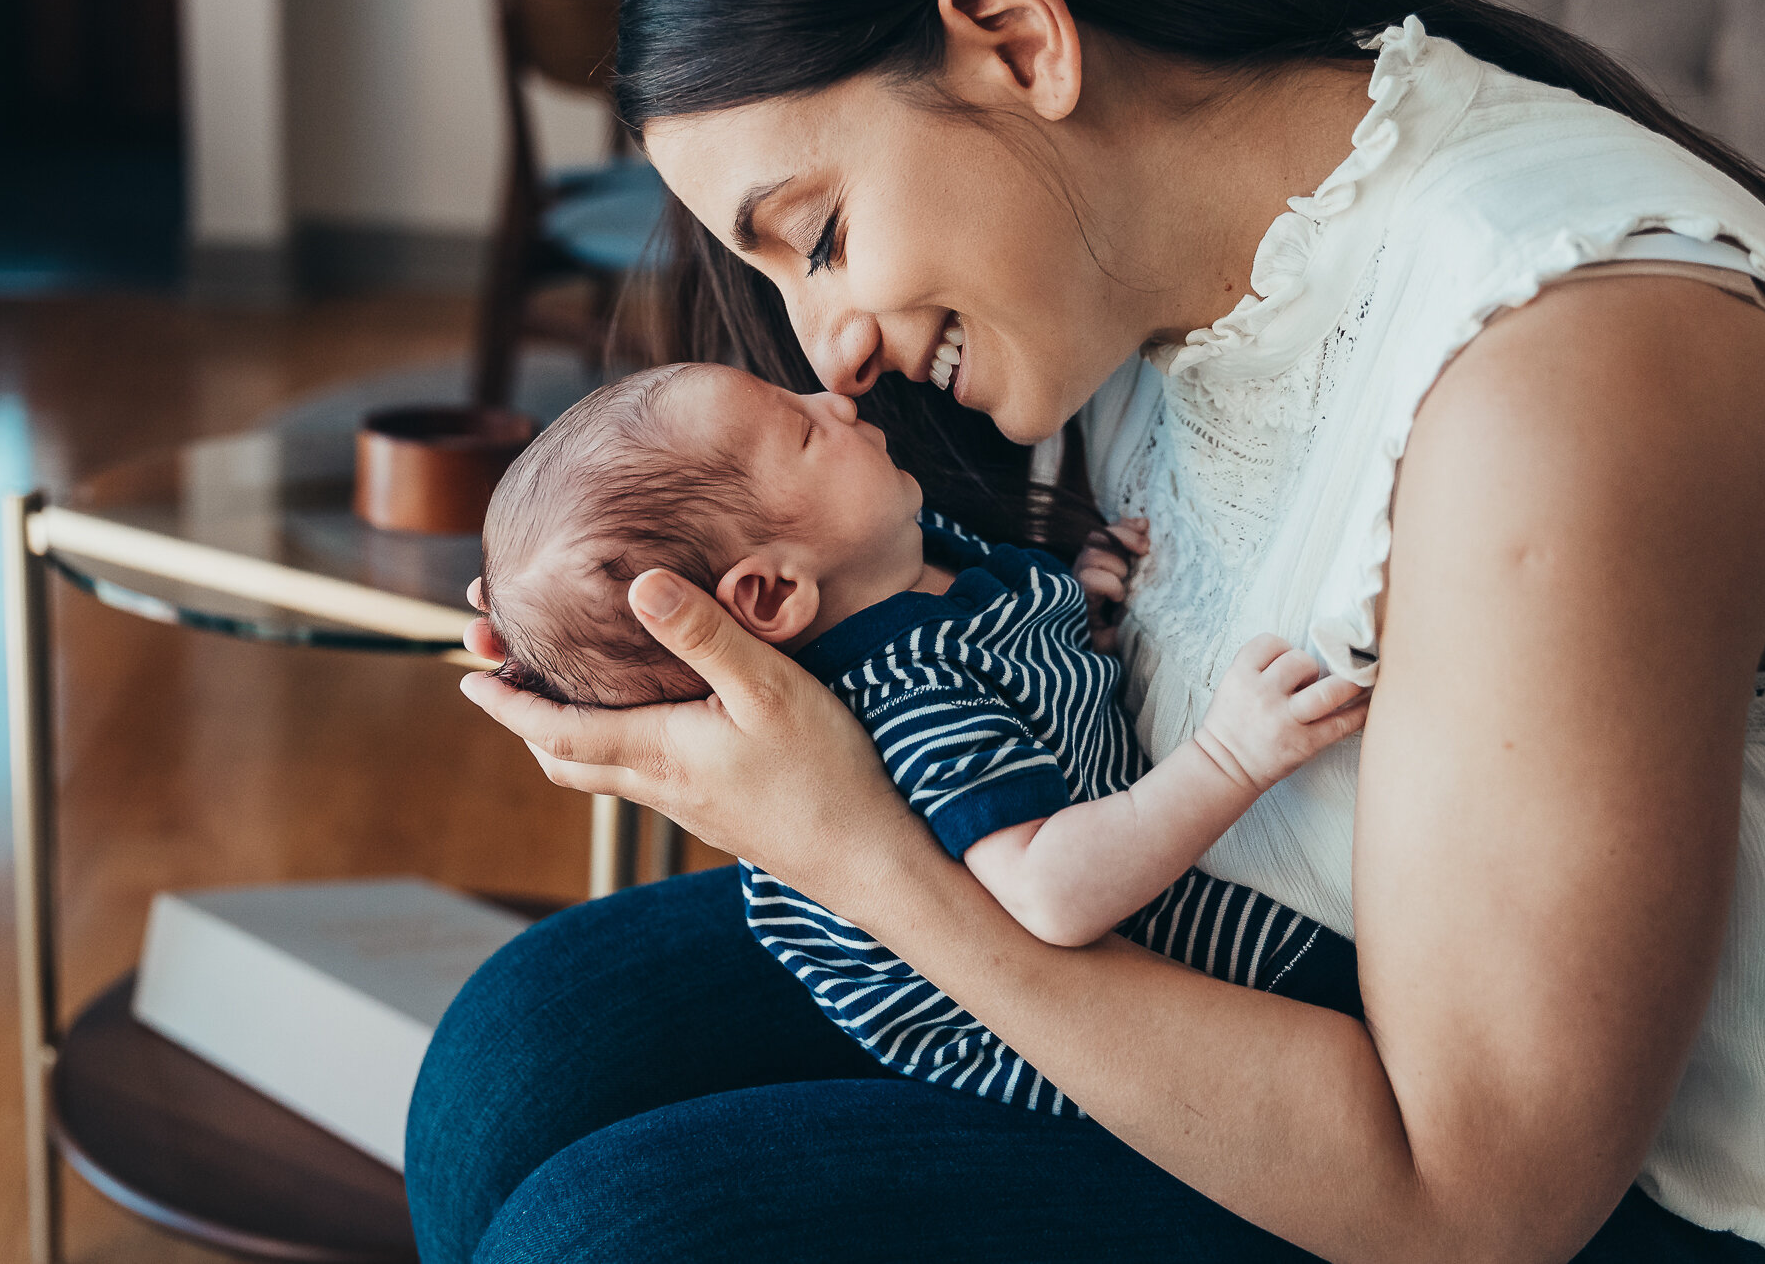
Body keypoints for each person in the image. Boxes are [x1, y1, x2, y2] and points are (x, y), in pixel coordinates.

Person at [406, 0, 1765, 1260]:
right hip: (1247, 958)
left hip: (1651, 1209)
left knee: (619, 1233)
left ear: (1015, 38)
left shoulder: (1568, 384)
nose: (829, 348)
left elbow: (1478, 1205)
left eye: (815, 237)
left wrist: (859, 853)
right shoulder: (1141, 278)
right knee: (517, 1056)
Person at [475, 359, 1367, 1111]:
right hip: (1097, 1012)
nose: (836, 402)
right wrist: (1228, 756)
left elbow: (1029, 687)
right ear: (772, 596)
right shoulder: (914, 695)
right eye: (803, 432)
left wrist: (1080, 607)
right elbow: (1052, 894)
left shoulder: (890, 558)